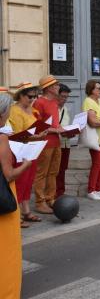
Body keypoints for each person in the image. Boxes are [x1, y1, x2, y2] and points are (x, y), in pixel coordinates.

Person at [0, 92, 33, 299]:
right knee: (7, 248)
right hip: (3, 196)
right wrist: (27, 162)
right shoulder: (2, 137)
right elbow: (9, 174)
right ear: (4, 112)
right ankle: (7, 292)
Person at [8, 82, 47, 228]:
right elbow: (17, 135)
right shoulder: (14, 111)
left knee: (29, 180)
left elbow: (35, 127)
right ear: (21, 96)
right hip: (19, 150)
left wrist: (42, 132)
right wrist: (36, 136)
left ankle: (26, 210)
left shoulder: (32, 109)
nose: (33, 99)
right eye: (30, 96)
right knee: (20, 182)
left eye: (35, 96)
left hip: (32, 148)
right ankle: (15, 214)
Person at [33, 75, 65, 214]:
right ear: (50, 88)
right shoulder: (39, 103)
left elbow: (54, 124)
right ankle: (40, 202)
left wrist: (64, 130)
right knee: (41, 173)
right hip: (44, 143)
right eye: (56, 85)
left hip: (56, 142)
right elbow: (36, 126)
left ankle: (50, 198)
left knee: (53, 172)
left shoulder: (55, 102)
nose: (58, 87)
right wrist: (55, 129)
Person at [56, 83, 72, 197]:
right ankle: (55, 192)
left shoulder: (65, 109)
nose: (65, 99)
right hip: (56, 143)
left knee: (63, 168)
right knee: (56, 169)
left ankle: (61, 191)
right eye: (63, 96)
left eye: (67, 97)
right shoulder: (53, 108)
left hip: (66, 143)